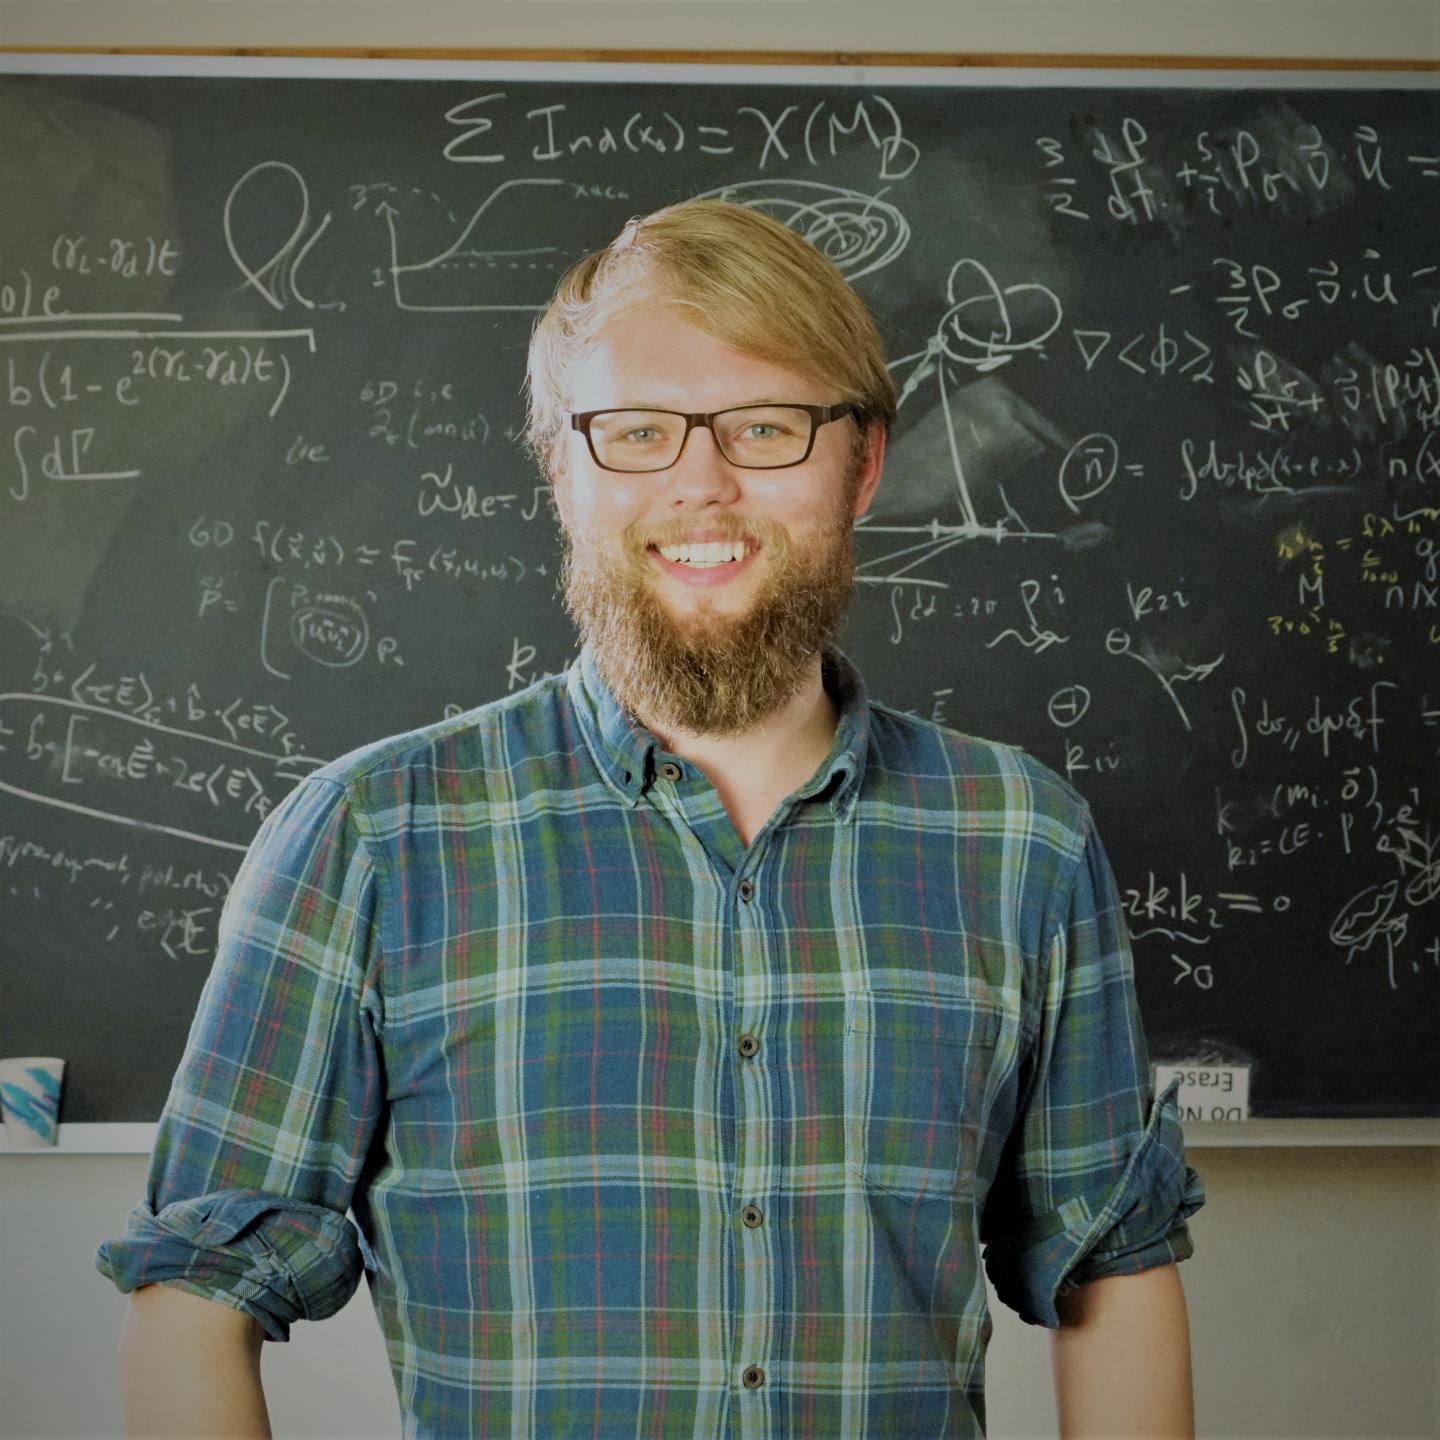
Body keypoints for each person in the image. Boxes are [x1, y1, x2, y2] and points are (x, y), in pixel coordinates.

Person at [98, 198, 1204, 1438]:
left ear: (863, 464)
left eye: (767, 428)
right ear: (561, 467)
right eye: (635, 433)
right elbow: (193, 1300)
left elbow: (1112, 1270)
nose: (701, 484)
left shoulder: (1023, 841)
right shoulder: (371, 838)